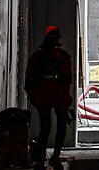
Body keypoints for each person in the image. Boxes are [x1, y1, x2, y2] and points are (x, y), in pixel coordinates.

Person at [25, 26, 72, 170]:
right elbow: (66, 80)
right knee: (61, 127)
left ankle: (40, 158)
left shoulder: (36, 57)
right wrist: (65, 101)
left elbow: (29, 80)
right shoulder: (62, 56)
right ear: (58, 39)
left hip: (42, 96)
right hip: (58, 97)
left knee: (45, 127)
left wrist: (33, 97)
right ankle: (55, 156)